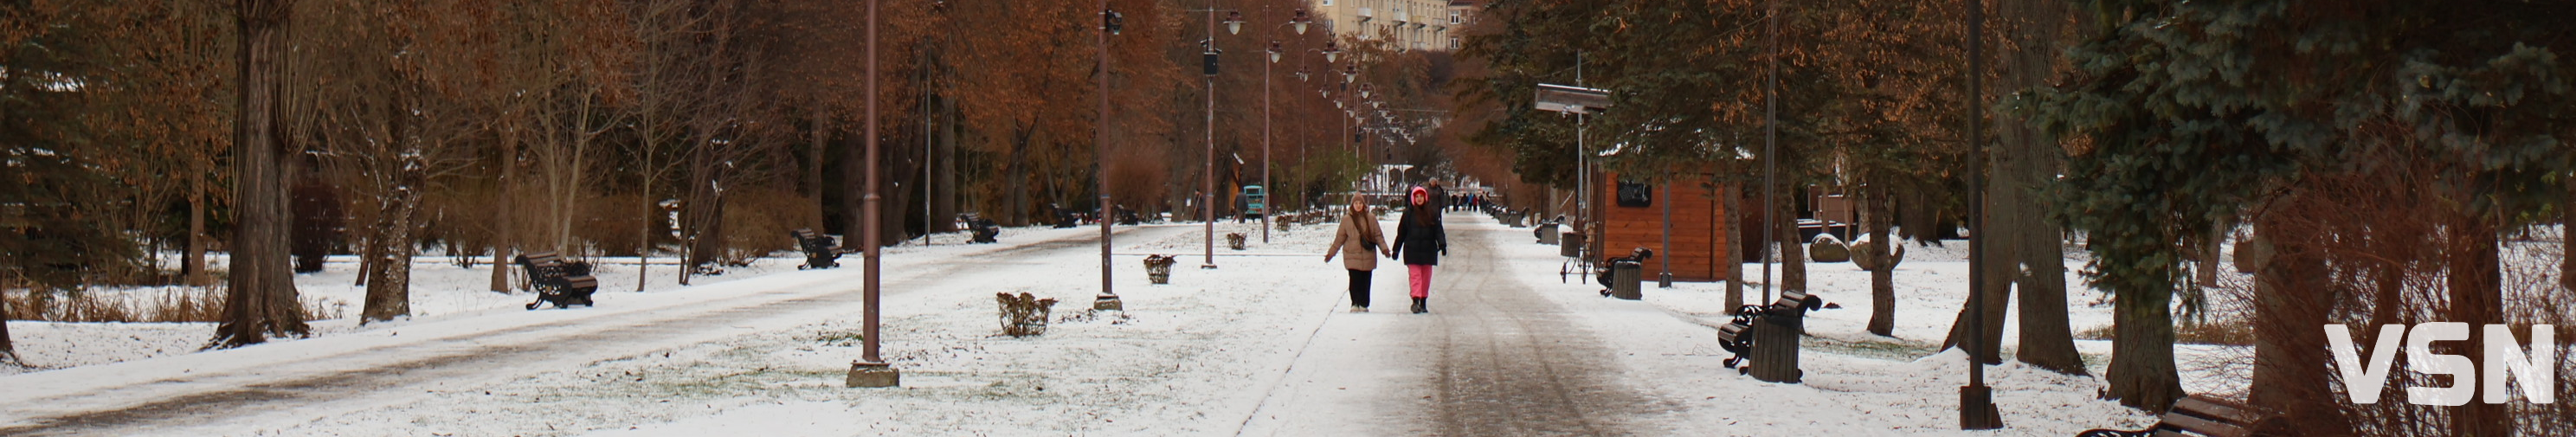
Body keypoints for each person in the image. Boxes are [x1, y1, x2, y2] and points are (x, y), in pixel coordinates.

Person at [1325, 193, 1391, 312]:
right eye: (1356, 203)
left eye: (1360, 203)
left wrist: (1384, 249)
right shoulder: (1346, 220)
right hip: (1352, 255)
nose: (1358, 206)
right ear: (1352, 205)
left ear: (1364, 204)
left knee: (1366, 280)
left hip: (1368, 254)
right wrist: (1331, 253)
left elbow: (1378, 235)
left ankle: (1364, 303)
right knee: (1354, 280)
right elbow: (1339, 239)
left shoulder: (1371, 218)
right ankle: (1355, 302)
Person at [1390, 186, 1448, 314]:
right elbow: (1401, 233)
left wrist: (1442, 244)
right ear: (1413, 199)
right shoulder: (1408, 215)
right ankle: (1415, 300)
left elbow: (1438, 230)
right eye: (1417, 197)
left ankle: (1423, 301)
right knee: (1415, 276)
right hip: (1412, 250)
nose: (1419, 199)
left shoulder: (1432, 213)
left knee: (1426, 277)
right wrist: (1396, 250)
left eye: (1421, 196)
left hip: (1428, 250)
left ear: (1425, 198)